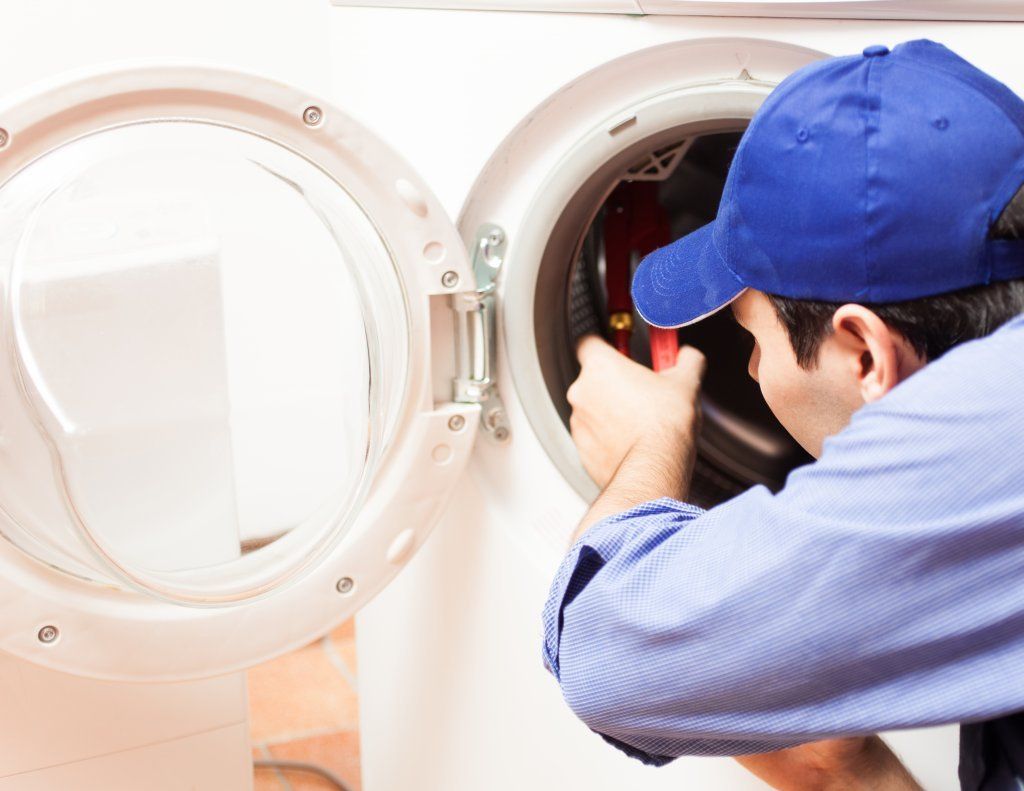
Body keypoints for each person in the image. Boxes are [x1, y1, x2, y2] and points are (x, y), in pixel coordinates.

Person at [542, 39, 1024, 791]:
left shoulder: (990, 436)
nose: (752, 368)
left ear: (864, 353)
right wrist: (843, 771)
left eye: (749, 337)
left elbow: (606, 653)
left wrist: (650, 440)